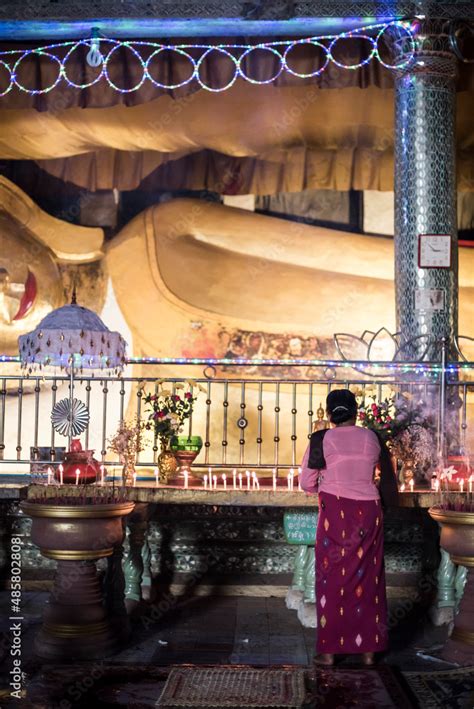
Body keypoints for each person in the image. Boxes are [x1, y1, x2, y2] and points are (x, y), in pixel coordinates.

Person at [300, 388, 398, 667]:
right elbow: (386, 477)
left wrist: (327, 482)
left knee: (331, 577)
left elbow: (306, 483)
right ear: (356, 412)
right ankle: (368, 651)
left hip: (336, 513)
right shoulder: (372, 437)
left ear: (330, 414)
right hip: (369, 512)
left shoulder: (321, 439)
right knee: (370, 578)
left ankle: (329, 652)